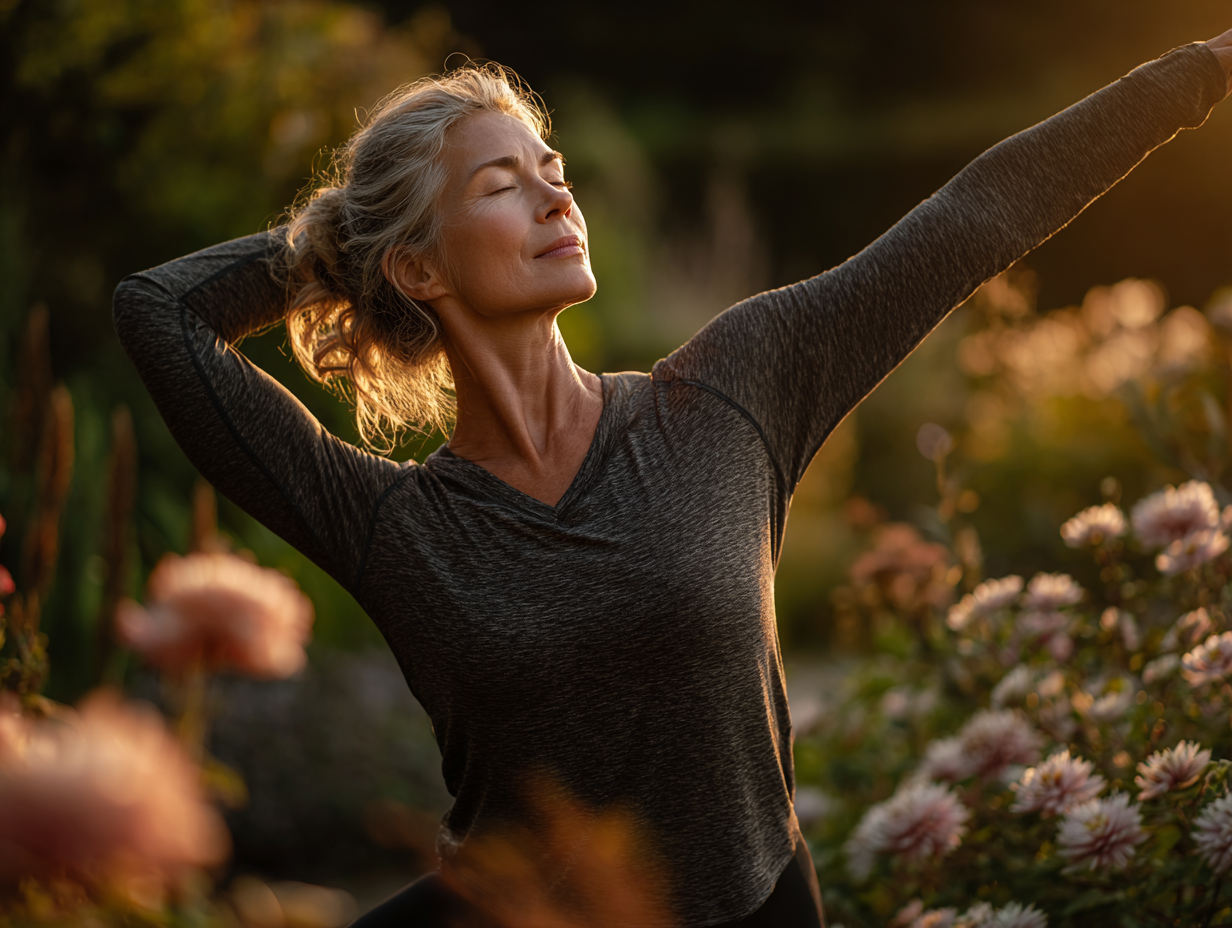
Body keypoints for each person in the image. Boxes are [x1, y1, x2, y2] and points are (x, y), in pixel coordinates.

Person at [113, 29, 1232, 928]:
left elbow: (976, 215)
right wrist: (337, 243)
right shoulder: (388, 524)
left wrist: (1197, 71)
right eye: (503, 185)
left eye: (554, 172)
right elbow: (159, 311)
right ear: (417, 265)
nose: (558, 198)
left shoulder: (731, 392)